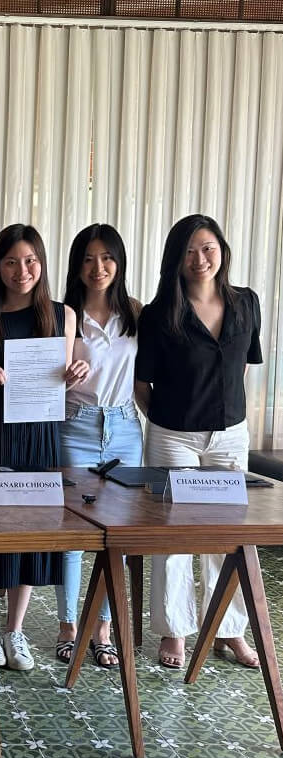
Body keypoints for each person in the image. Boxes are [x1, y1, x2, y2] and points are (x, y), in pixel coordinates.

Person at [135, 214, 263, 670]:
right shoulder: (158, 314)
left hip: (229, 436)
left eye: (208, 248)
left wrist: (222, 417)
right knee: (176, 535)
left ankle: (229, 631)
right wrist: (170, 423)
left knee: (226, 536)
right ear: (176, 259)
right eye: (189, 251)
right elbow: (141, 382)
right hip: (174, 437)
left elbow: (242, 367)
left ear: (222, 251)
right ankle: (175, 629)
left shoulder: (247, 303)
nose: (200, 259)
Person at [0, 224, 88, 671]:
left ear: (42, 264)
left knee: (32, 533)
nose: (22, 270)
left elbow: (63, 376)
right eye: (11, 262)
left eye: (30, 260)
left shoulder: (63, 314)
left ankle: (16, 632)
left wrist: (75, 373)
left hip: (40, 436)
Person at [54, 224, 142, 668]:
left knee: (119, 538)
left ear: (119, 263)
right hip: (76, 425)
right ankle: (69, 625)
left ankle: (103, 627)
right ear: (77, 264)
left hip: (126, 428)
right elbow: (45, 377)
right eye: (88, 258)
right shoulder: (63, 314)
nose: (98, 267)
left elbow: (144, 381)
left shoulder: (136, 313)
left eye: (107, 257)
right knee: (73, 534)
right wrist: (62, 378)